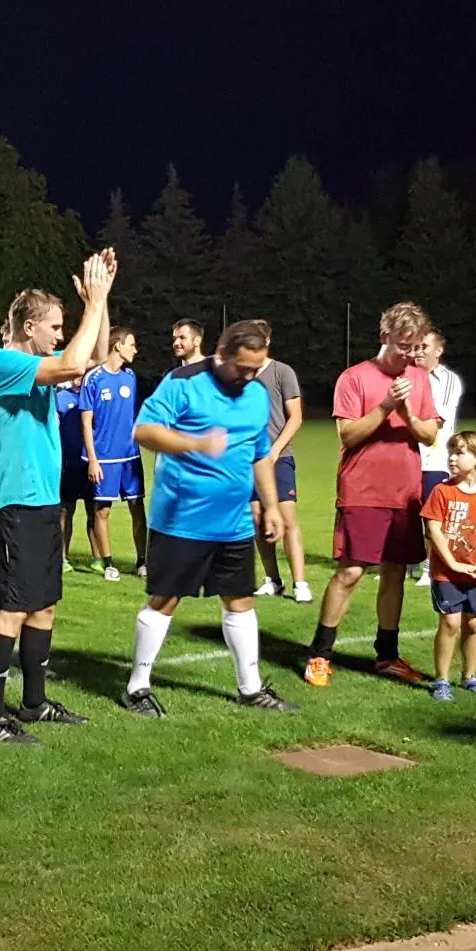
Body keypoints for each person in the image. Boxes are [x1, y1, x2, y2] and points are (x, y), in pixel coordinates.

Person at [0, 250, 117, 745]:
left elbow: (96, 357)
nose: (60, 333)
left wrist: (102, 300)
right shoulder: (4, 362)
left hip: (41, 499)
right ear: (29, 327)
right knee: (13, 608)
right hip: (12, 498)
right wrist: (91, 303)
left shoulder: (35, 364)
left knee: (43, 606)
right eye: (54, 326)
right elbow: (74, 360)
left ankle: (33, 704)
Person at [120, 319, 292, 719]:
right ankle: (137, 687)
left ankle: (250, 689)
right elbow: (143, 431)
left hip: (233, 523)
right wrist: (196, 443)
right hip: (182, 519)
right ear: (222, 353)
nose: (249, 376)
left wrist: (270, 505)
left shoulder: (256, 394)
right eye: (243, 368)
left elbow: (259, 453)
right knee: (165, 600)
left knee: (240, 600)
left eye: (256, 369)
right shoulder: (183, 382)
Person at [302, 302, 442, 688]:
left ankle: (387, 656)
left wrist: (408, 413)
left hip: (405, 492)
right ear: (384, 337)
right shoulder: (354, 378)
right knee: (350, 572)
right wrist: (386, 406)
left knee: (395, 573)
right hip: (362, 490)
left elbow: (430, 435)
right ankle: (319, 654)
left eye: (416, 347)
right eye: (403, 345)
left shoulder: (420, 379)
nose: (410, 354)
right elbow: (348, 435)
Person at [420, 431, 476, 701]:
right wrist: (451, 563)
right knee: (450, 623)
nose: (452, 458)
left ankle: (470, 676)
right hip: (447, 572)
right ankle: (441, 680)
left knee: (472, 623)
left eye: (460, 453)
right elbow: (433, 529)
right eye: (451, 452)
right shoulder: (442, 492)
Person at [81, 327, 147, 581]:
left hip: (130, 456)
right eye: (131, 344)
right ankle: (108, 563)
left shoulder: (130, 377)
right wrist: (93, 460)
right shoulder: (93, 378)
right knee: (102, 511)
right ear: (117, 345)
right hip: (104, 458)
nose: (135, 350)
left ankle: (142, 561)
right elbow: (86, 423)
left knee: (137, 507)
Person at [249, 346, 310, 603]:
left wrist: (274, 450)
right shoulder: (241, 374)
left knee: (286, 520)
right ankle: (273, 580)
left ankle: (300, 583)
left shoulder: (281, 372)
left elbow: (295, 417)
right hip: (250, 460)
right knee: (257, 519)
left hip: (279, 457)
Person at [411, 329, 465, 587]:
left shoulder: (447, 380)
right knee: (405, 516)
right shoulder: (405, 376)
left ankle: (429, 567)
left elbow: (438, 418)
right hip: (407, 459)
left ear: (438, 350)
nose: (418, 351)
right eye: (416, 346)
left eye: (424, 346)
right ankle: (406, 565)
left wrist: (406, 416)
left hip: (434, 458)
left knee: (431, 517)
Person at [54, 377, 91, 568]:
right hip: (68, 462)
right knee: (66, 510)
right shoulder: (61, 398)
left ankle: (99, 558)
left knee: (94, 510)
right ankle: (62, 556)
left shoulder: (92, 395)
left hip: (90, 462)